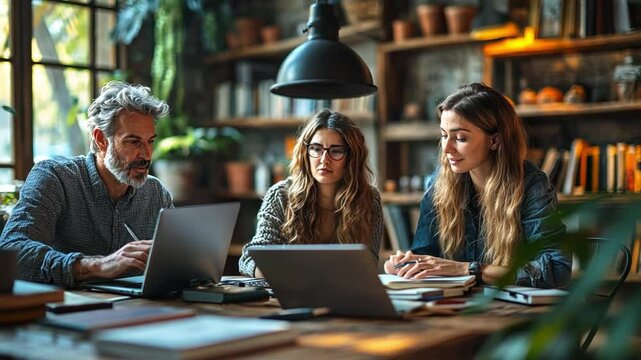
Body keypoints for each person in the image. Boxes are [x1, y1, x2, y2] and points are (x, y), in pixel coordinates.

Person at [384, 83, 571, 289]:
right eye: (444, 135)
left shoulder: (531, 185)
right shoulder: (439, 181)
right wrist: (407, 265)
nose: (446, 148)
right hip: (456, 307)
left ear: (495, 140)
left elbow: (557, 270)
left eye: (461, 138)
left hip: (513, 310)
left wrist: (468, 269)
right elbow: (427, 255)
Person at [0, 81, 173, 287]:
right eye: (133, 141)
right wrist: (97, 265)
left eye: (150, 141)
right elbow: (12, 251)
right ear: (101, 139)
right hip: (68, 309)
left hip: (141, 309)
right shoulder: (55, 178)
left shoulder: (156, 193)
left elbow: (178, 261)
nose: (146, 154)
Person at [239, 109, 383, 277]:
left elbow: (369, 262)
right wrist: (276, 272)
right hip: (288, 293)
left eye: (336, 151)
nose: (324, 160)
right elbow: (250, 258)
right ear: (305, 153)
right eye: (316, 149)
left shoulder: (368, 199)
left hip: (344, 295)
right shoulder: (280, 196)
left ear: (352, 158)